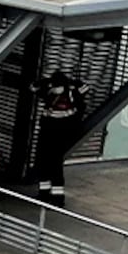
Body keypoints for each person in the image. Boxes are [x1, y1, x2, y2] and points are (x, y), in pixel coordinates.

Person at [30, 70, 89, 208]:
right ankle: (44, 193)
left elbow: (85, 87)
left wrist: (68, 84)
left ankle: (57, 197)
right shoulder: (51, 91)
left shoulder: (70, 93)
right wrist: (48, 83)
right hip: (50, 131)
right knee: (43, 162)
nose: (55, 90)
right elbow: (33, 86)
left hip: (58, 132)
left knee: (54, 164)